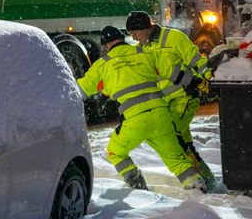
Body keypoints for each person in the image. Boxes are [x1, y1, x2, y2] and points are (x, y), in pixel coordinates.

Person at [77, 25, 206, 192]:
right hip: (161, 116)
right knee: (178, 161)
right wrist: (199, 82)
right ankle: (197, 188)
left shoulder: (103, 65)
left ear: (105, 45)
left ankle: (139, 188)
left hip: (134, 121)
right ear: (122, 39)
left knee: (115, 152)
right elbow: (175, 73)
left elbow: (79, 91)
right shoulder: (145, 53)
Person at [126, 11, 216, 190]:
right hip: (166, 103)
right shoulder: (143, 48)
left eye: (134, 33)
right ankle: (206, 179)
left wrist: (211, 80)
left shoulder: (173, 38)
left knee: (174, 137)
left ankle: (201, 180)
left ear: (144, 29)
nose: (134, 38)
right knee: (181, 141)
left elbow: (197, 61)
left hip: (184, 97)